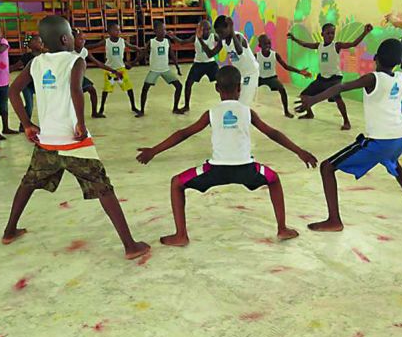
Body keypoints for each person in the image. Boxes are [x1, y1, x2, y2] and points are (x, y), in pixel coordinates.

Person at [3, 15, 150, 260]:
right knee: (104, 189)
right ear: (64, 38)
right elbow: (75, 90)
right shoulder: (75, 61)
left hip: (47, 141)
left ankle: (9, 231)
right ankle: (130, 245)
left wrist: (27, 124)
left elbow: (13, 90)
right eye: (72, 34)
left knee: (28, 183)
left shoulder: (35, 63)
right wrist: (81, 123)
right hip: (73, 141)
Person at [136, 65, 318, 246]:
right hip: (247, 169)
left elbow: (183, 133)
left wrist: (153, 151)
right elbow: (273, 133)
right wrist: (299, 152)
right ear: (240, 88)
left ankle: (181, 235)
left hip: (215, 170)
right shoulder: (248, 112)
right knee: (273, 179)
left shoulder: (211, 113)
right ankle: (282, 228)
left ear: (216, 88)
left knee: (177, 183)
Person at [295, 39, 402, 232]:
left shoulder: (373, 78)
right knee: (394, 164)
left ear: (375, 59)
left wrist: (313, 99)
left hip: (379, 141)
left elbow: (341, 87)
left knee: (327, 168)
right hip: (400, 138)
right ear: (397, 61)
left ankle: (334, 220)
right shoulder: (401, 78)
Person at [288, 23, 373, 130]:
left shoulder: (336, 46)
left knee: (338, 99)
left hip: (334, 79)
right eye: (328, 33)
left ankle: (346, 121)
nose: (330, 35)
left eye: (332, 33)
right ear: (322, 34)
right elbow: (305, 44)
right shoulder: (319, 46)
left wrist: (364, 33)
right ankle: (309, 114)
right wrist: (294, 39)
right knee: (304, 96)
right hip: (322, 79)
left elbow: (353, 44)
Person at [197, 15, 259, 107]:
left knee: (244, 103)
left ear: (229, 27)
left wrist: (232, 30)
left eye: (221, 32)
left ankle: (245, 119)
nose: (220, 35)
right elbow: (210, 54)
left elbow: (239, 51)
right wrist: (200, 39)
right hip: (240, 74)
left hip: (251, 73)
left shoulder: (238, 37)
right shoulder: (223, 41)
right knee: (235, 100)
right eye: (218, 33)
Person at [86, 23, 140, 115]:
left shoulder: (122, 41)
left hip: (121, 69)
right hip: (109, 70)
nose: (118, 32)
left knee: (129, 88)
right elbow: (95, 45)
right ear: (109, 32)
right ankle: (102, 108)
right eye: (116, 30)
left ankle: (133, 106)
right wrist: (83, 47)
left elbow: (132, 47)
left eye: (119, 30)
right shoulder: (106, 41)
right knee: (106, 91)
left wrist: (139, 49)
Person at [168, 19, 220, 112]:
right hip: (198, 63)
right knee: (188, 84)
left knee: (221, 81)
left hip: (211, 63)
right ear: (199, 30)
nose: (206, 31)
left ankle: (225, 103)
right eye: (204, 29)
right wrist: (173, 37)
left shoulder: (213, 36)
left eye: (208, 29)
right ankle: (186, 106)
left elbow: (221, 42)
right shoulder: (195, 37)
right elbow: (182, 42)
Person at [135, 20, 184, 117]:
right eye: (161, 29)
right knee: (145, 88)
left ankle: (175, 108)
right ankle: (142, 110)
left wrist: (177, 67)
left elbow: (172, 55)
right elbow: (143, 54)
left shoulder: (167, 41)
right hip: (154, 70)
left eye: (164, 29)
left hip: (165, 69)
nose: (164, 31)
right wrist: (133, 63)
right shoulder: (151, 42)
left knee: (179, 86)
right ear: (155, 31)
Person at [256, 34, 312, 118]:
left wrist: (300, 71)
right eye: (265, 44)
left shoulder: (275, 55)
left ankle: (286, 111)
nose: (267, 46)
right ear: (260, 45)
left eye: (269, 43)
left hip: (272, 78)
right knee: (247, 89)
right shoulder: (256, 56)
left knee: (282, 90)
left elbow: (286, 66)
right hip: (260, 78)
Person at [73, 29, 124, 118]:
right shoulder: (68, 51)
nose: (83, 42)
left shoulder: (84, 51)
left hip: (79, 77)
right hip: (67, 77)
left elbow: (98, 64)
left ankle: (94, 113)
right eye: (80, 39)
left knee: (92, 90)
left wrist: (114, 71)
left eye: (84, 40)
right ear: (72, 40)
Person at [10, 34, 44, 131]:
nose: (40, 43)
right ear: (30, 45)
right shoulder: (26, 56)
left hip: (40, 84)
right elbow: (16, 66)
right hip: (27, 85)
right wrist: (5, 71)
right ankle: (24, 124)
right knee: (29, 105)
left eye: (41, 41)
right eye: (37, 42)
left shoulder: (45, 56)